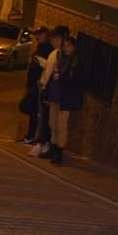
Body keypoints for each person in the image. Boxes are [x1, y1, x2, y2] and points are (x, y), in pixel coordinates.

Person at [39, 35, 84, 165]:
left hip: (65, 98)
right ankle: (53, 148)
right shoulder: (61, 58)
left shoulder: (76, 61)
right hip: (55, 95)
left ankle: (59, 151)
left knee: (61, 125)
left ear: (74, 47)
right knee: (52, 123)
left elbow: (74, 80)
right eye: (64, 46)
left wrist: (61, 77)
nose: (66, 48)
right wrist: (48, 94)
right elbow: (52, 75)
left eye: (68, 46)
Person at [30, 25, 68, 156]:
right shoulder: (55, 53)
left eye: (54, 38)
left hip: (54, 93)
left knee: (55, 123)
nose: (52, 41)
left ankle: (52, 147)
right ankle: (49, 146)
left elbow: (55, 74)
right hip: (47, 90)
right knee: (49, 121)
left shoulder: (62, 55)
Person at [19, 27, 50, 144]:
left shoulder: (47, 50)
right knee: (32, 110)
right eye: (37, 35)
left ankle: (33, 136)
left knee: (35, 112)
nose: (37, 37)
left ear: (46, 35)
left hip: (38, 86)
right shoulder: (40, 48)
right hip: (33, 84)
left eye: (40, 35)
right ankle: (31, 135)